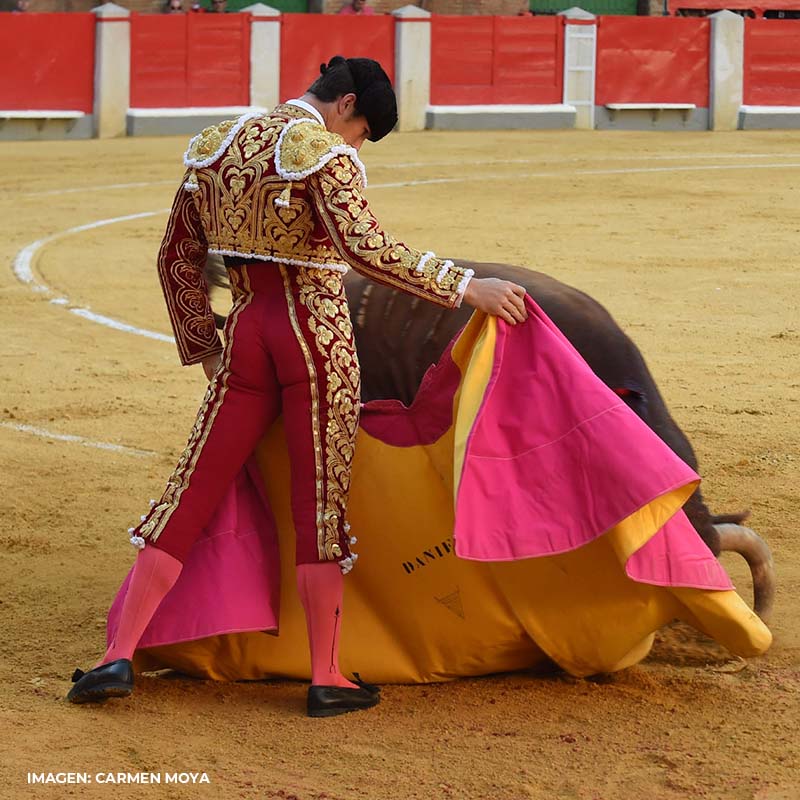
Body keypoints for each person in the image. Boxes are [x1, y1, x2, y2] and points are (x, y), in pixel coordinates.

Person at [66, 56, 526, 717]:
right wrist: (464, 285)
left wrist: (206, 345)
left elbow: (176, 258)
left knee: (189, 492)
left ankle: (118, 653)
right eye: (362, 130)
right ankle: (327, 676)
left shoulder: (218, 144)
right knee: (320, 506)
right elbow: (367, 249)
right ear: (343, 105)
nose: (356, 143)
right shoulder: (322, 154)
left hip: (247, 334)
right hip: (317, 337)